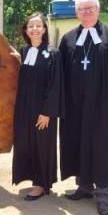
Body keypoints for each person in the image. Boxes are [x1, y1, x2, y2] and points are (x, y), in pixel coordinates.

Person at [58, 0, 108, 215]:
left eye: (91, 8)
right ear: (76, 12)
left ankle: (103, 192)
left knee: (104, 145)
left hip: (104, 105)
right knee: (78, 141)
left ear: (98, 10)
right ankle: (84, 186)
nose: (87, 12)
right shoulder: (69, 38)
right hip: (76, 106)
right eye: (82, 9)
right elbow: (60, 74)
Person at [12, 13, 64, 201]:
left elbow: (55, 85)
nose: (34, 29)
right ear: (26, 31)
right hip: (24, 108)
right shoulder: (24, 52)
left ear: (44, 29)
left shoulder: (53, 54)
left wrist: (47, 112)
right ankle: (31, 178)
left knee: (42, 145)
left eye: (38, 25)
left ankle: (41, 184)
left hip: (42, 110)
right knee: (26, 143)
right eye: (30, 26)